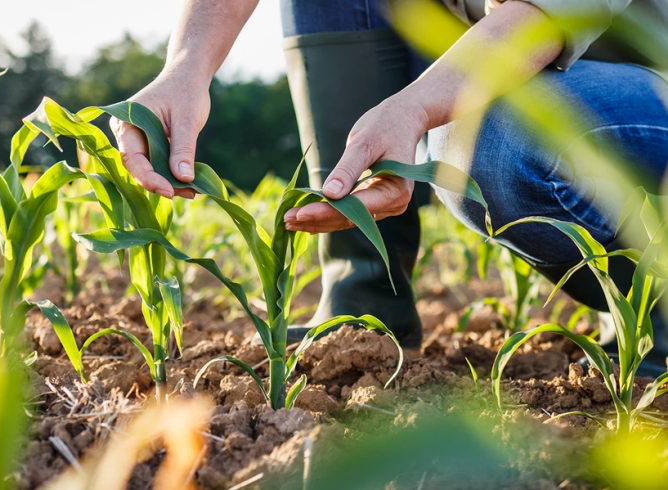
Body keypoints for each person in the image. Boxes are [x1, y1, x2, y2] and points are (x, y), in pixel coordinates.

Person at [111, 0, 668, 375]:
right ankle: (367, 307)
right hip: (517, 68)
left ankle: (651, 313)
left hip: (643, 87)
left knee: (488, 142)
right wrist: (185, 67)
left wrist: (418, 107)